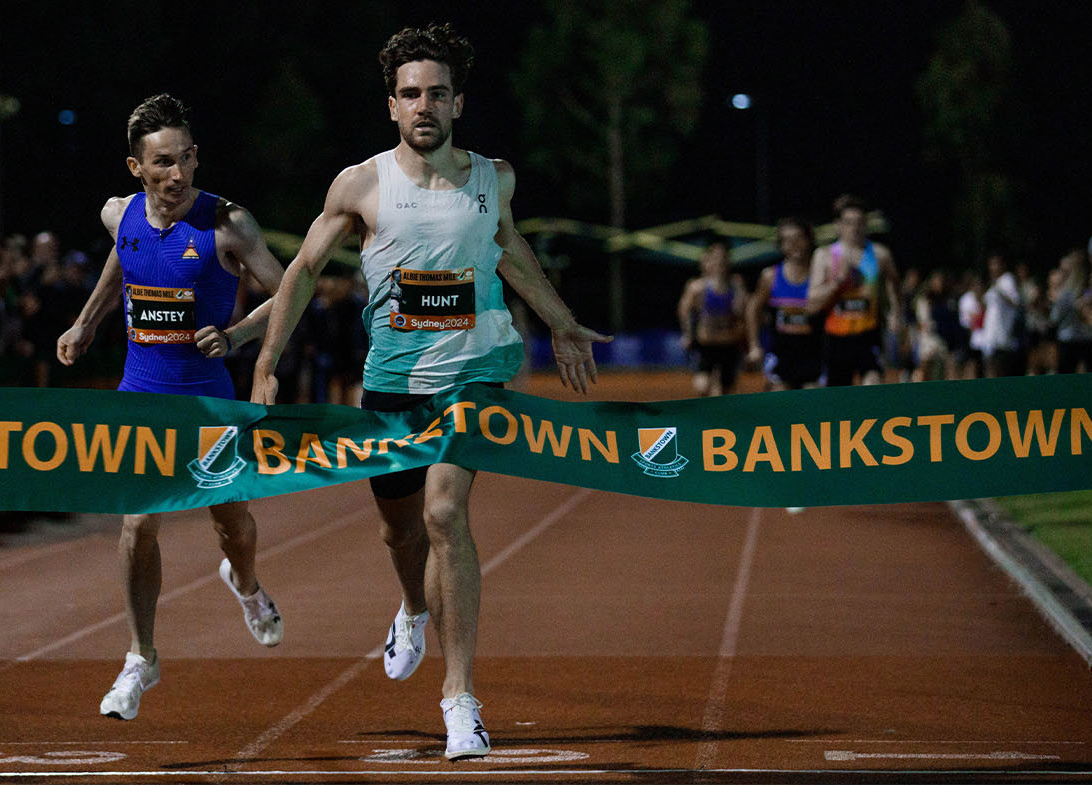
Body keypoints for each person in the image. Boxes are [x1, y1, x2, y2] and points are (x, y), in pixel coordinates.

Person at [249, 24, 611, 760]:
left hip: (476, 372)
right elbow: (304, 272)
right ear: (392, 105)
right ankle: (412, 606)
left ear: (458, 103)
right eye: (411, 93)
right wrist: (267, 362)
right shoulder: (359, 184)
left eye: (437, 93)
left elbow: (510, 250)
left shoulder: (493, 178)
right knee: (401, 530)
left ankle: (460, 700)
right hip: (391, 384)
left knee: (446, 511)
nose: (425, 105)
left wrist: (563, 322)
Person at [55, 93, 287, 722]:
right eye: (162, 164)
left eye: (185, 159)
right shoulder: (117, 214)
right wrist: (86, 323)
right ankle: (141, 656)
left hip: (209, 402)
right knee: (137, 525)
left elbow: (294, 286)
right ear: (137, 168)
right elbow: (123, 259)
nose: (178, 175)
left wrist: (238, 338)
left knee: (231, 526)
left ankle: (243, 581)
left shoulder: (227, 223)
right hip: (142, 399)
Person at [807, 194, 901, 386]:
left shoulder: (880, 254)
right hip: (836, 338)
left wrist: (895, 313)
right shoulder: (825, 256)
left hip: (868, 335)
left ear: (866, 224)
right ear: (837, 225)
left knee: (873, 385)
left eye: (859, 222)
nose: (854, 228)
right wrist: (837, 282)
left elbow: (895, 283)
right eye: (848, 222)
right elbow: (811, 303)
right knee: (839, 400)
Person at [746, 218, 822, 390]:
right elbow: (753, 308)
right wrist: (754, 345)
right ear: (780, 245)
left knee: (813, 406)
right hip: (780, 357)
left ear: (809, 240)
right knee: (781, 404)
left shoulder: (821, 275)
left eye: (799, 238)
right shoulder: (770, 276)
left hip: (813, 358)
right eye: (787, 240)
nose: (794, 245)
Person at [678, 239, 747, 396]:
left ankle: (721, 418)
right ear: (707, 261)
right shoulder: (697, 287)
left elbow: (743, 313)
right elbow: (684, 310)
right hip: (706, 345)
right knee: (702, 387)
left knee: (725, 391)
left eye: (723, 258)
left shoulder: (735, 284)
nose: (719, 262)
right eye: (714, 258)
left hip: (729, 344)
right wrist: (688, 334)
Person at [981, 252, 1025, 377]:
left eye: (996, 264)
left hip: (1002, 336)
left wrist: (999, 290)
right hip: (990, 335)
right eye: (991, 264)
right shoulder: (995, 283)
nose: (993, 267)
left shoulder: (1008, 280)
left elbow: (1015, 302)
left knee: (1000, 371)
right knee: (989, 370)